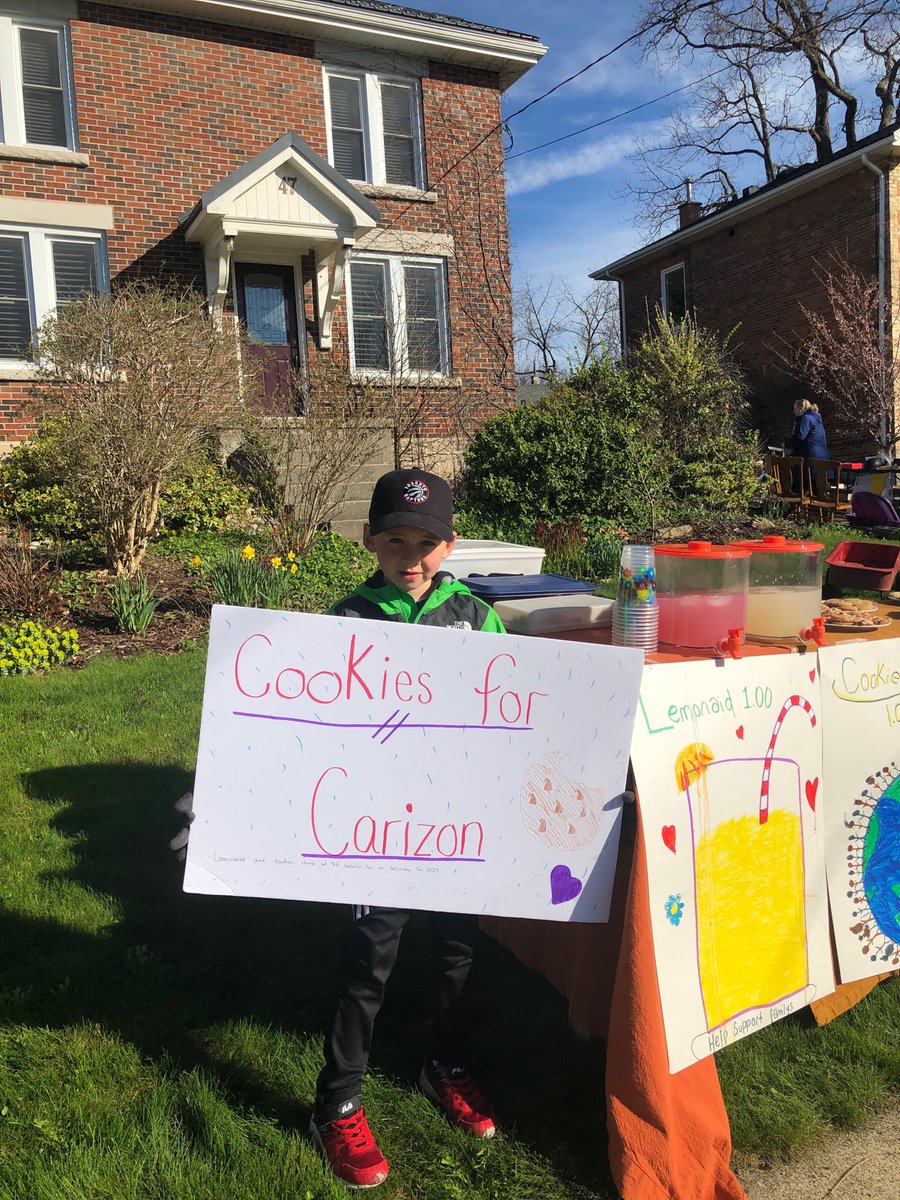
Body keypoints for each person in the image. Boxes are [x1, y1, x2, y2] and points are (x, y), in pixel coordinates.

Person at [309, 467, 506, 1189]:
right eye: (396, 539)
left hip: (455, 824)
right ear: (370, 541)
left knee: (458, 951)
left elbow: (505, 713)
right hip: (378, 826)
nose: (411, 555)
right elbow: (315, 724)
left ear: (449, 546)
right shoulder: (347, 619)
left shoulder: (477, 617)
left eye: (426, 542)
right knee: (369, 959)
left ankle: (444, 1065)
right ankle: (338, 1101)